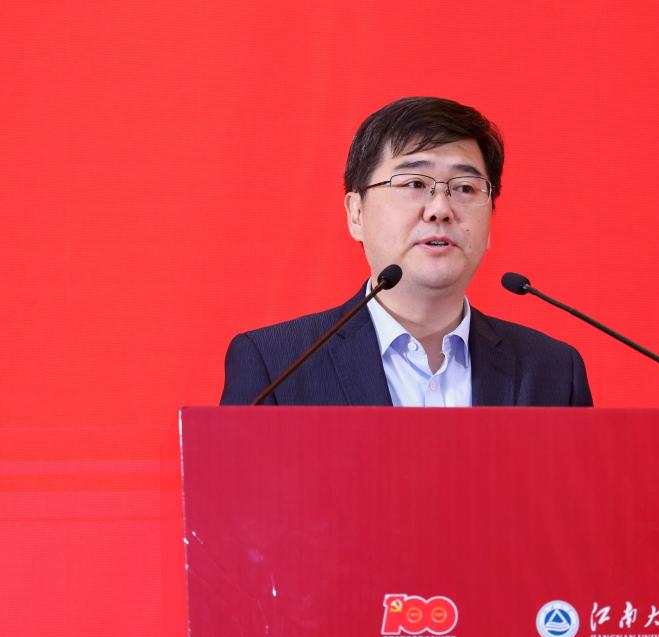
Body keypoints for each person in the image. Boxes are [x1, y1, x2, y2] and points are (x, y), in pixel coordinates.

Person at [220, 96, 592, 407]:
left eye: (465, 188)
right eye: (414, 183)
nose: (440, 209)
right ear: (356, 213)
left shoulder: (553, 372)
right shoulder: (277, 366)